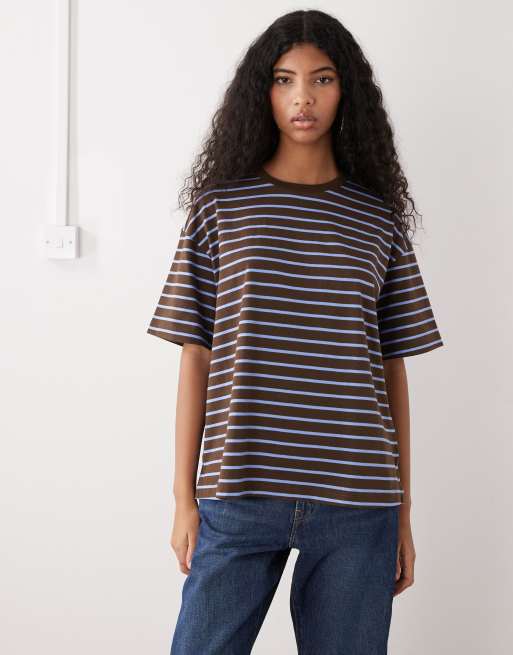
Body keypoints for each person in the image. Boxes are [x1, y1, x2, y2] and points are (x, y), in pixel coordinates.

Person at [147, 9, 444, 655]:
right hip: (238, 488)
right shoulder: (221, 208)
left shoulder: (377, 220)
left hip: (358, 499)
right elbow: (196, 355)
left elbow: (390, 367)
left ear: (347, 91)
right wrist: (183, 498)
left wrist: (403, 513)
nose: (302, 97)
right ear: (262, 91)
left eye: (321, 79)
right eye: (284, 80)